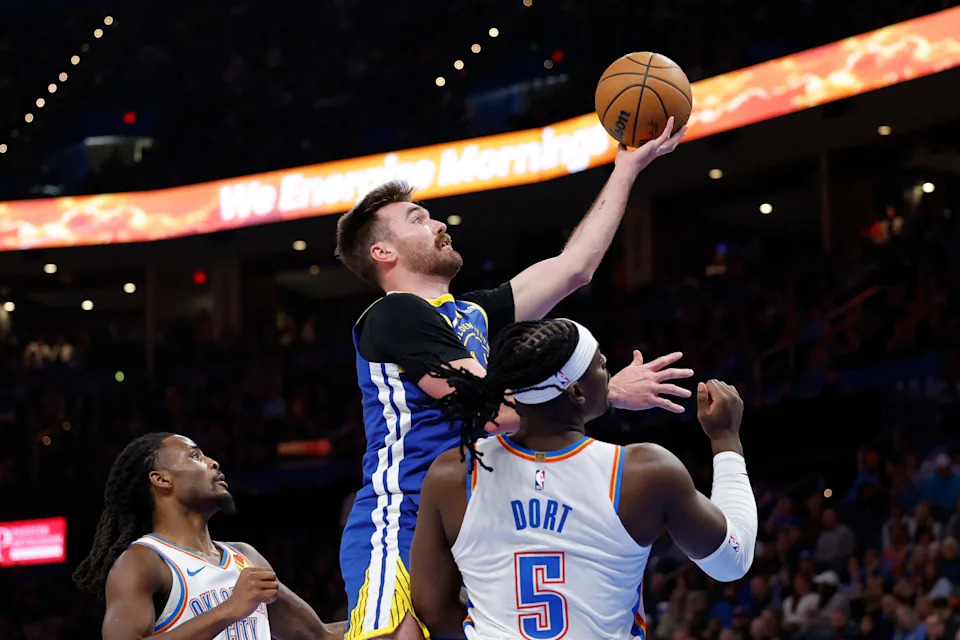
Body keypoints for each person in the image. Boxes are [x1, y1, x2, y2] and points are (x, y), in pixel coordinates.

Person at [334, 119, 690, 639]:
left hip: (476, 519)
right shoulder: (395, 314)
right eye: (418, 219)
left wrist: (627, 168)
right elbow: (491, 410)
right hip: (403, 521)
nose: (438, 224)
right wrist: (607, 392)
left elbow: (575, 267)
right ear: (383, 253)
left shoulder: (471, 314)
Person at [408, 318, 758, 639]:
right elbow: (733, 562)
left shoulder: (454, 472)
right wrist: (725, 439)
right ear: (577, 392)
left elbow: (432, 609)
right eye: (602, 365)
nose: (610, 374)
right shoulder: (644, 472)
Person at [73, 432, 345, 640]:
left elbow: (321, 635)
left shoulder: (245, 557)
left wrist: (377, 618)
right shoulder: (143, 562)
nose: (213, 463)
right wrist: (228, 609)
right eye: (195, 456)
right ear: (162, 479)